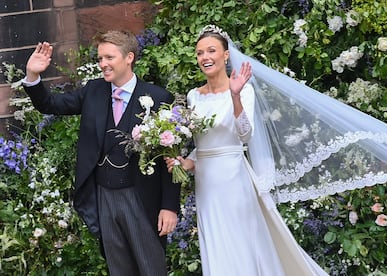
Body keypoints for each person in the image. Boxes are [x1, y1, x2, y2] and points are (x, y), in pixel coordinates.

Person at [166, 25, 330, 275]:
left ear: (225, 55)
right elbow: (203, 144)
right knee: (215, 242)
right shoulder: (193, 96)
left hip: (234, 178)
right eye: (200, 53)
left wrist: (235, 96)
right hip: (207, 184)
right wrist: (185, 163)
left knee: (240, 243)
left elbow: (245, 134)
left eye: (211, 50)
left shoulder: (244, 90)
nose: (205, 57)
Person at [23, 30, 181, 275]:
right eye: (100, 59)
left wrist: (170, 206)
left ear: (129, 57)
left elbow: (171, 159)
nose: (103, 64)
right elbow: (50, 105)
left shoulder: (158, 98)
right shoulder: (93, 91)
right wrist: (33, 75)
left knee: (152, 268)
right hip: (104, 196)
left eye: (109, 57)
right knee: (118, 269)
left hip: (141, 197)